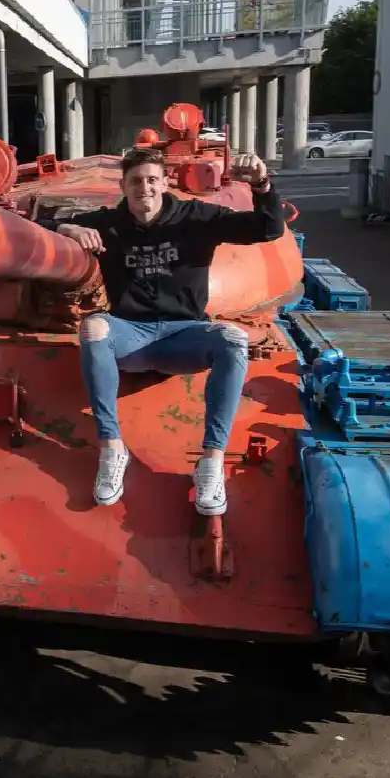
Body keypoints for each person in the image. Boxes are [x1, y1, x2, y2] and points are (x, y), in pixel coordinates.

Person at [43, 146, 283, 516]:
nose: (145, 188)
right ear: (123, 186)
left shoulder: (196, 218)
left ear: (165, 182)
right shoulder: (108, 223)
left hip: (184, 334)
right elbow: (34, 226)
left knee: (234, 339)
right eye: (136, 181)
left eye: (152, 179)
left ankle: (211, 460)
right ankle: (111, 448)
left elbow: (267, 229)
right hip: (130, 334)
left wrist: (262, 186)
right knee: (93, 327)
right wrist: (68, 226)